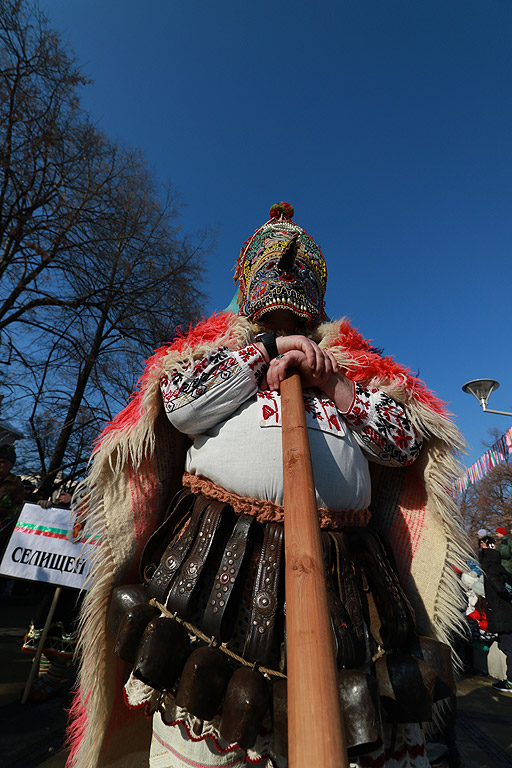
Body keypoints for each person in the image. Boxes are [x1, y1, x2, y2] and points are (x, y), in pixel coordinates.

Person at [67, 203, 469, 768]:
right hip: (214, 572)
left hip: (346, 582)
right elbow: (181, 408)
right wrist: (266, 355)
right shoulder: (212, 358)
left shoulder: (355, 372)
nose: (283, 268)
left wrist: (333, 382)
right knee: (205, 740)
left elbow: (405, 443)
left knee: (359, 729)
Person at [479, 535, 512, 693]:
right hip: (504, 614)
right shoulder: (499, 568)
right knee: (506, 647)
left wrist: (507, 591)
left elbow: (500, 588)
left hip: (503, 616)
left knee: (509, 648)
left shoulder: (491, 570)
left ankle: (511, 682)